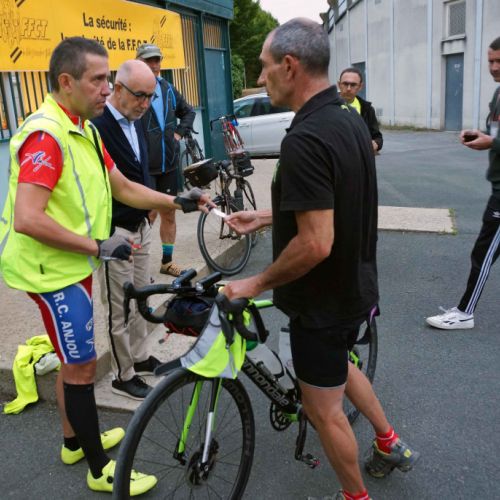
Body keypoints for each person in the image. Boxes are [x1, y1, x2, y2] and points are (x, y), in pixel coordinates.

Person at [0, 37, 212, 495]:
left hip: (67, 263)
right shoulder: (46, 135)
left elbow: (122, 186)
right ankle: (99, 470)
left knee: (71, 361)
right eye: (98, 79)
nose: (106, 89)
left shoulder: (85, 129)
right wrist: (98, 246)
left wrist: (176, 200)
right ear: (66, 81)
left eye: (108, 78)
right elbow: (27, 218)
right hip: (50, 272)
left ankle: (74, 442)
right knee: (81, 366)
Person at [223, 19, 419, 500]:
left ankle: (355, 496)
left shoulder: (306, 138)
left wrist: (254, 283)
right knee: (341, 368)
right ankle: (388, 441)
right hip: (354, 287)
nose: (261, 77)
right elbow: (332, 200)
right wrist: (265, 217)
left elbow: (315, 243)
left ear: (289, 66)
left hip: (321, 301)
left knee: (323, 410)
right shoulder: (347, 120)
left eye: (265, 67)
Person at [91, 59, 161, 400]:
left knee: (142, 296)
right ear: (117, 88)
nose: (145, 104)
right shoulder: (97, 127)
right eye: (139, 96)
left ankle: (140, 356)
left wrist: (151, 204)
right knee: (119, 306)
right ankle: (123, 374)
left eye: (150, 96)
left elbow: (140, 168)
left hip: (141, 224)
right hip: (115, 230)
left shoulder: (137, 119)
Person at [426, 36, 500, 330]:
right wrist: (480, 135)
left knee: (483, 253)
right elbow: (495, 133)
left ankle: (465, 313)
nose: (494, 67)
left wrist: (492, 141)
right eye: (491, 61)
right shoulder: (498, 94)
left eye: (499, 61)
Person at [136, 43, 196, 277]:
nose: (154, 65)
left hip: (168, 164)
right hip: (145, 167)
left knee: (169, 213)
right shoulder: (133, 91)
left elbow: (188, 111)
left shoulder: (167, 88)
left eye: (157, 60)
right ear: (139, 63)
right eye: (149, 61)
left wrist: (179, 133)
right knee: (147, 216)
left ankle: (167, 262)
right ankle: (139, 267)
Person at [338, 67, 383, 154]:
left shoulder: (367, 109)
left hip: (360, 159)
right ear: (339, 84)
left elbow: (377, 137)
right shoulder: (326, 106)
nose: (348, 88)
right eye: (345, 84)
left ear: (360, 86)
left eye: (353, 85)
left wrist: (376, 144)